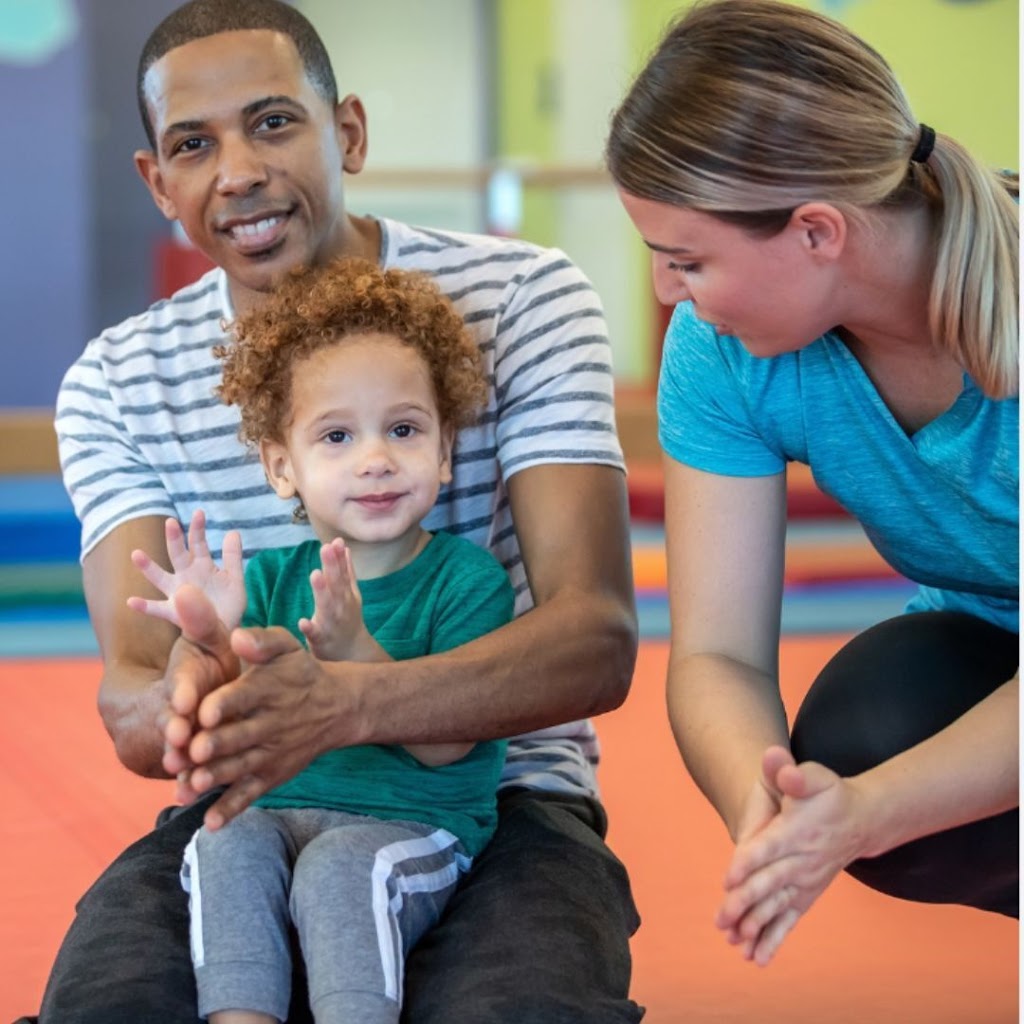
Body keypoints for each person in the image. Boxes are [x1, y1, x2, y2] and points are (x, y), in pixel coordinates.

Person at [35, 1, 642, 1021]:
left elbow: (594, 639)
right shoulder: (115, 382)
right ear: (157, 182)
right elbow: (131, 699)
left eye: (273, 122)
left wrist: (351, 701)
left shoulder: (522, 298)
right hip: (249, 801)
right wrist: (192, 689)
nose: (237, 170)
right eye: (194, 144)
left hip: (495, 800)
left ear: (346, 131)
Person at [605, 0, 1017, 968]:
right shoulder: (724, 353)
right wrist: (782, 814)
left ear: (816, 232)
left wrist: (865, 814)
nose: (667, 291)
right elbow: (715, 655)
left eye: (687, 259)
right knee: (866, 727)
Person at [126, 258, 516, 1024]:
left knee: (341, 866)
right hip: (276, 812)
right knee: (219, 838)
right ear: (283, 467)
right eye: (336, 436)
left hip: (413, 826)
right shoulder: (269, 580)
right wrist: (208, 641)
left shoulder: (467, 582)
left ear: (443, 452)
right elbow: (216, 718)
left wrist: (353, 656)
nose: (375, 458)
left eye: (403, 430)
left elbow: (449, 746)